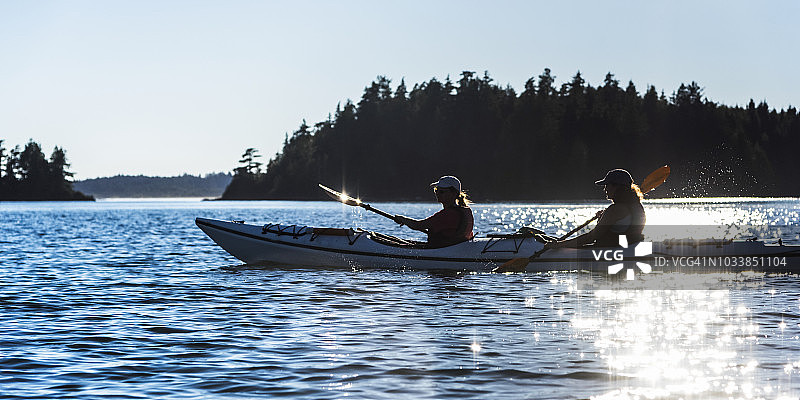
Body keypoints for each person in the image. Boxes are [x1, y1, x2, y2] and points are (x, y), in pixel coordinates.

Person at [545, 169, 645, 249]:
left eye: (607, 185)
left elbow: (591, 237)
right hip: (627, 247)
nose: (605, 189)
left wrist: (560, 245)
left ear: (617, 187)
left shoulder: (615, 209)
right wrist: (604, 217)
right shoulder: (636, 205)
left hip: (611, 250)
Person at [393, 176, 475, 247]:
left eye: (442, 191)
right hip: (451, 248)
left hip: (443, 250)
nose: (437, 193)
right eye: (436, 190)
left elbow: (418, 225)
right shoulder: (465, 210)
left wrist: (402, 219)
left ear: (453, 194)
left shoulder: (448, 214)